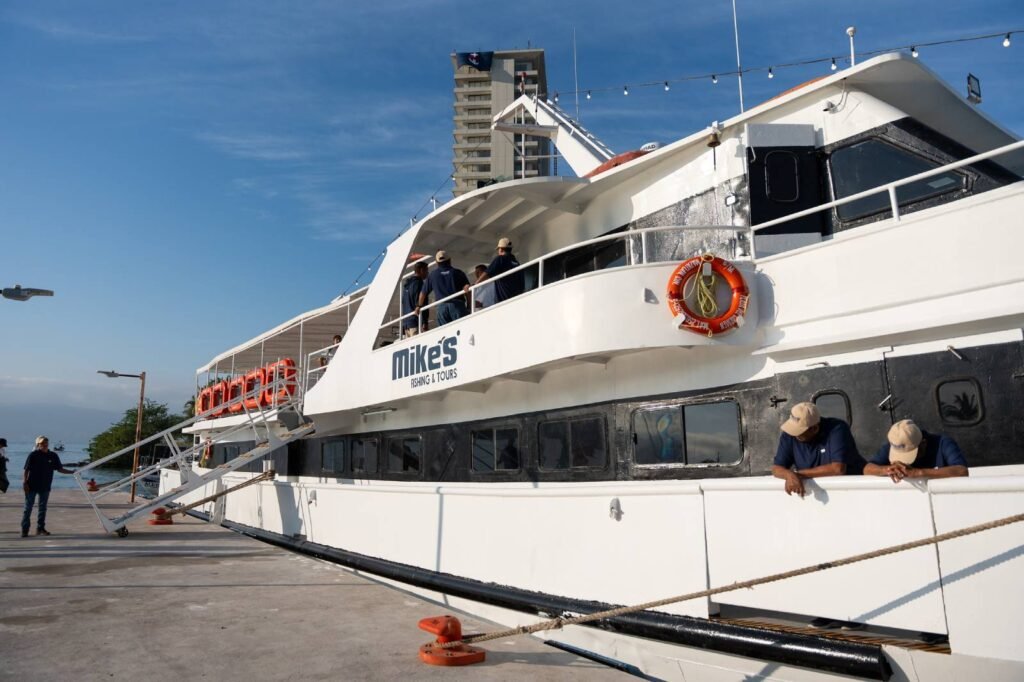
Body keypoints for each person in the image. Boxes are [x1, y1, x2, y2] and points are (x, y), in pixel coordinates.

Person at [772, 402, 863, 497]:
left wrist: (797, 474)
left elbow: (838, 469)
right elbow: (776, 468)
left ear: (814, 428)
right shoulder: (789, 435)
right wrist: (788, 475)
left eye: (799, 431)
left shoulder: (837, 429)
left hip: (851, 493)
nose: (794, 434)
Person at [864, 419, 968, 482]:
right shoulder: (896, 442)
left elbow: (962, 471)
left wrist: (919, 473)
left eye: (908, 455)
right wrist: (888, 470)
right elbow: (867, 469)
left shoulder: (943, 443)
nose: (903, 461)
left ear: (923, 444)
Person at [22, 436, 75, 537]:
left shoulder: (53, 455)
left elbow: (60, 469)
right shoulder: (33, 455)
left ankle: (40, 528)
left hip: (45, 486)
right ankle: (25, 530)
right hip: (31, 486)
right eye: (42, 443)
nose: (45, 444)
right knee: (28, 508)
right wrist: (25, 483)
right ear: (38, 444)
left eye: (46, 442)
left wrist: (73, 472)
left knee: (42, 508)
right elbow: (26, 470)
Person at [417, 250, 470, 326]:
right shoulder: (458, 273)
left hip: (441, 307)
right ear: (449, 260)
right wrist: (469, 306)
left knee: (445, 334)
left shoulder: (433, 275)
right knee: (461, 329)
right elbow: (467, 290)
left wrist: (419, 306)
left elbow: (423, 293)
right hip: (457, 306)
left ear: (436, 262)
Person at [475, 237, 524, 304]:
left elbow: (487, 273)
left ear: (500, 249)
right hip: (517, 299)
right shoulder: (517, 263)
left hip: (505, 299)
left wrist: (475, 285)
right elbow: (522, 284)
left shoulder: (500, 259)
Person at [401, 262, 429, 337]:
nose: (428, 273)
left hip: (406, 323)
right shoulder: (419, 283)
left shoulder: (407, 285)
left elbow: (404, 303)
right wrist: (425, 322)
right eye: (426, 270)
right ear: (422, 270)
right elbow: (420, 302)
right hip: (416, 322)